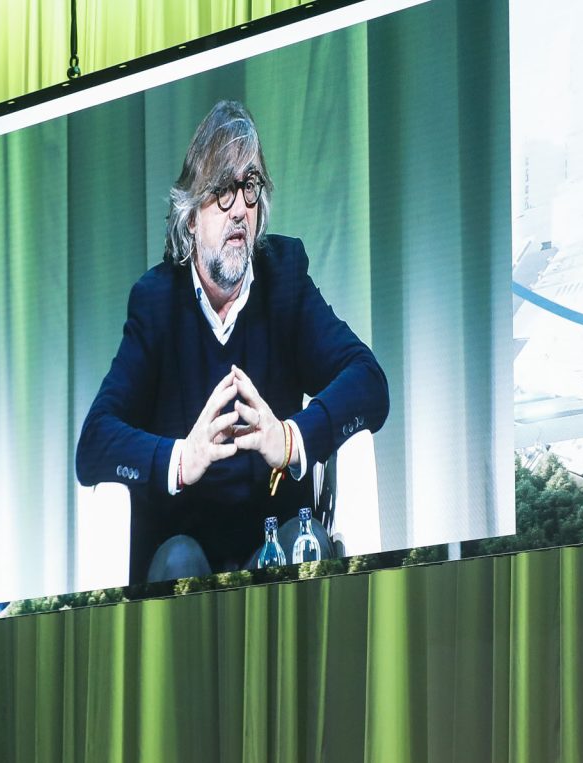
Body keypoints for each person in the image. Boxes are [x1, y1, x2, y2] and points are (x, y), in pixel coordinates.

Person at [74, 98, 389, 585]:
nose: (240, 206)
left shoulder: (283, 276)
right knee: (179, 560)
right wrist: (182, 458)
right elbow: (94, 444)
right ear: (190, 216)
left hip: (276, 558)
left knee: (301, 551)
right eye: (223, 189)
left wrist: (289, 439)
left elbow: (369, 383)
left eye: (249, 187)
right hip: (184, 571)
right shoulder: (156, 303)